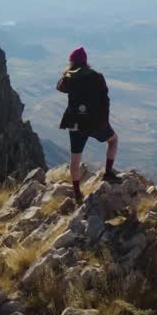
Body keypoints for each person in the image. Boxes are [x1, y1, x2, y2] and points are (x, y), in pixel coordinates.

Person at [56, 46, 120, 201]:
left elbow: (59, 87)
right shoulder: (97, 77)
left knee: (75, 160)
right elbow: (105, 100)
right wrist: (104, 121)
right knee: (113, 140)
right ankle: (108, 173)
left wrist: (66, 73)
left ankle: (77, 193)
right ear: (86, 62)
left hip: (75, 123)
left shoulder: (69, 78)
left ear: (72, 63)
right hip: (95, 122)